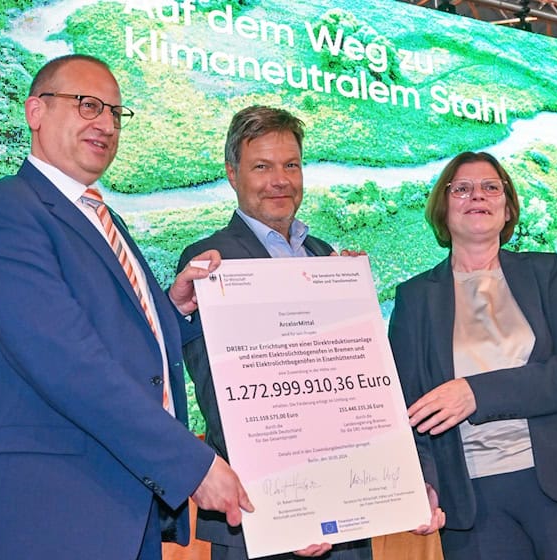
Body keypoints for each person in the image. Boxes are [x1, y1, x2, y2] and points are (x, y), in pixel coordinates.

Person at [0, 54, 252, 560]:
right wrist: (191, 465)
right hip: (42, 516)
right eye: (88, 105)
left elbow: (113, 339)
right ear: (35, 112)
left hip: (120, 509)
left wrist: (172, 311)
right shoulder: (5, 211)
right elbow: (66, 362)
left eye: (115, 112)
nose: (106, 124)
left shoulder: (101, 218)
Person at [178, 106, 442, 560]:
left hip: (347, 516)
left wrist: (409, 479)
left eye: (291, 165)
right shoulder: (210, 258)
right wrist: (292, 510)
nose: (279, 180)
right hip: (264, 520)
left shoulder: (328, 258)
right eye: (262, 166)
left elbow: (365, 386)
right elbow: (221, 394)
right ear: (232, 174)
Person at [388, 151, 557, 560]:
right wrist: (419, 482)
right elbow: (409, 407)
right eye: (461, 188)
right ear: (443, 207)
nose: (477, 195)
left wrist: (476, 393)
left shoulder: (544, 272)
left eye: (490, 187)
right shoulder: (414, 297)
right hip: (472, 502)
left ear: (508, 206)